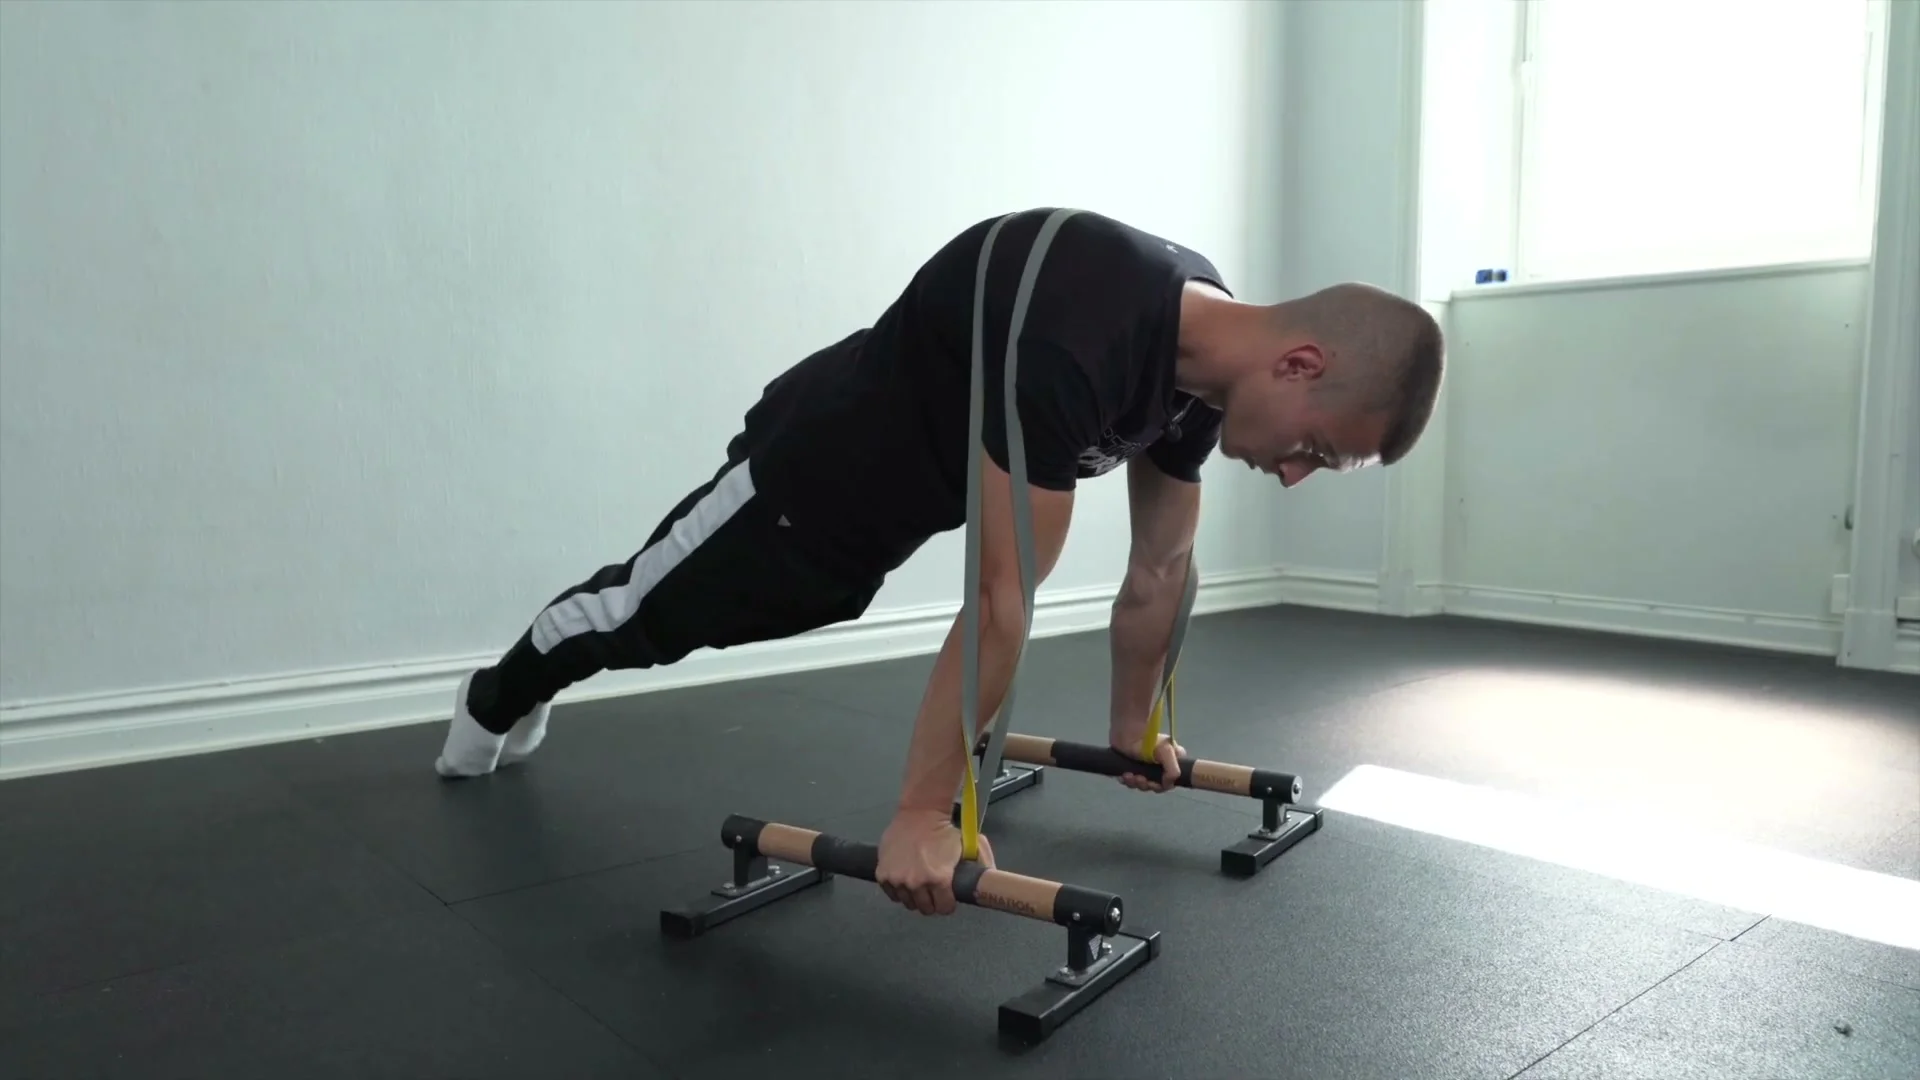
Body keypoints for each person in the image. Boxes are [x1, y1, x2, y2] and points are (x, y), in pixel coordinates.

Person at [432, 206, 1444, 917]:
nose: (1299, 475)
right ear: (1300, 364)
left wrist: (1134, 727)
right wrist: (923, 814)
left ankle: (531, 679)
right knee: (640, 618)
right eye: (1319, 448)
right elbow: (1004, 595)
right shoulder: (1080, 328)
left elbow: (1161, 567)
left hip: (889, 516)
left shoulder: (1199, 374)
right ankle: (496, 693)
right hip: (808, 474)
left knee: (791, 607)